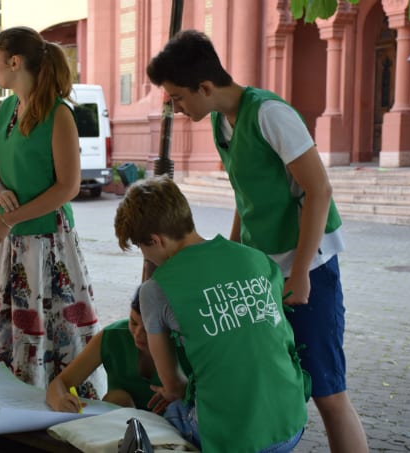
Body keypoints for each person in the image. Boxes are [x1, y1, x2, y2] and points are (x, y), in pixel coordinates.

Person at [146, 29, 368, 452]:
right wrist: (229, 255)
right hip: (266, 271)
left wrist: (300, 272)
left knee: (328, 390)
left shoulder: (270, 114)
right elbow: (245, 196)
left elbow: (319, 190)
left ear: (205, 87)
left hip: (308, 268)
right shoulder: (220, 121)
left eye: (177, 97)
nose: (175, 107)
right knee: (279, 376)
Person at [114, 176, 308, 452]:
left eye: (142, 248)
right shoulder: (255, 259)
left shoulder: (155, 290)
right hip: (291, 420)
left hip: (234, 439)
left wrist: (174, 392)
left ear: (155, 241)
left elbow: (174, 385)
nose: (145, 256)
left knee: (164, 416)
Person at [0, 26, 105, 398]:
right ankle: (15, 397)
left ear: (15, 62)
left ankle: (54, 399)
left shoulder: (58, 113)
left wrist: (8, 219)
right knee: (14, 323)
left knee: (51, 325)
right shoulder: (6, 109)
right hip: (13, 240)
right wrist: (0, 193)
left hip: (47, 241)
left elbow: (68, 187)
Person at [46, 287, 165, 413]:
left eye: (148, 328)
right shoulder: (113, 336)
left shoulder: (183, 344)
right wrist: (61, 402)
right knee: (118, 398)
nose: (138, 334)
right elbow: (59, 383)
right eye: (134, 323)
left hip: (174, 424)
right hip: (120, 423)